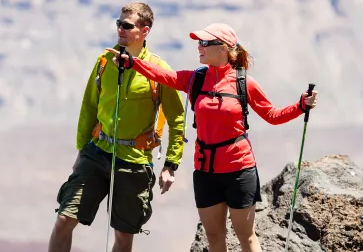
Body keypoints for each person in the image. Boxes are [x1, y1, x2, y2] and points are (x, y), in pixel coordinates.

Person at [106, 22, 319, 252]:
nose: (199, 47)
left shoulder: (243, 82)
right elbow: (164, 75)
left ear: (223, 48)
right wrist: (132, 62)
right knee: (215, 238)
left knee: (246, 238)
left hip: (239, 170)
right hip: (206, 172)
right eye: (199, 42)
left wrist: (300, 106)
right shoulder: (195, 79)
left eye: (205, 43)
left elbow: (272, 115)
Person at [48, 2, 186, 252]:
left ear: (144, 31)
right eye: (118, 23)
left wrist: (170, 164)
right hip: (97, 152)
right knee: (63, 219)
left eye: (126, 25)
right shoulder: (104, 62)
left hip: (134, 162)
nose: (120, 29)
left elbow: (177, 119)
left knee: (123, 237)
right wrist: (81, 149)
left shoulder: (159, 71)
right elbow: (89, 106)